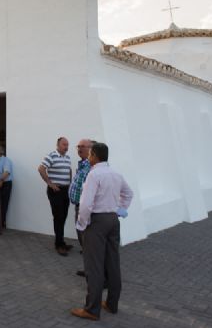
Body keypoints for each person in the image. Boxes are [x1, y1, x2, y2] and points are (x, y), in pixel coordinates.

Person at [71, 142, 133, 321]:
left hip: (97, 222)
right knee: (112, 263)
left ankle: (92, 309)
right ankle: (112, 304)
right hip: (113, 221)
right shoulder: (116, 173)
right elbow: (129, 194)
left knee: (94, 266)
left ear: (95, 155)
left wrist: (82, 224)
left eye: (90, 154)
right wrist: (120, 210)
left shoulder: (94, 174)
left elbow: (85, 204)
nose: (88, 157)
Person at [38, 137, 73, 256]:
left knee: (63, 216)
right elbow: (41, 168)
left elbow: (69, 171)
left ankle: (61, 241)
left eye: (67, 145)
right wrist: (50, 183)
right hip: (56, 191)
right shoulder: (51, 156)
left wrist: (70, 183)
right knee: (58, 217)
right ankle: (59, 245)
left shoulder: (67, 157)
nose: (66, 147)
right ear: (58, 145)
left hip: (65, 190)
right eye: (64, 144)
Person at [69, 139, 93, 253]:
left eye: (83, 146)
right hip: (79, 205)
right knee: (81, 234)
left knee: (86, 235)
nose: (79, 149)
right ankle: (88, 255)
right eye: (78, 146)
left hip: (86, 207)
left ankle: (91, 261)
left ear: (91, 149)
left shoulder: (92, 166)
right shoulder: (82, 164)